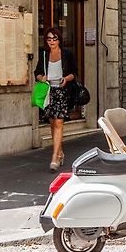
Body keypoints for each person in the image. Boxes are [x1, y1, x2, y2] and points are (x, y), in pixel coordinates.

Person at [34, 28, 77, 172]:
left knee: (59, 122)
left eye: (54, 38)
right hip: (49, 92)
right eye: (49, 39)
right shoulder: (44, 55)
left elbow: (74, 73)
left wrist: (66, 79)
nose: (52, 41)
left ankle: (54, 157)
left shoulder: (67, 54)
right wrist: (42, 78)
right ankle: (60, 152)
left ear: (59, 40)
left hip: (62, 91)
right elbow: (37, 73)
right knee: (52, 123)